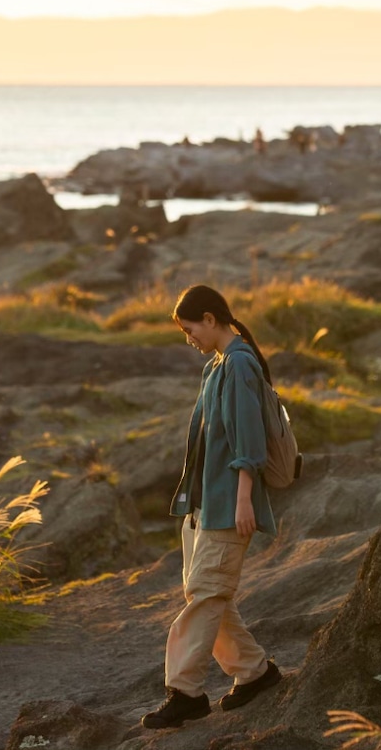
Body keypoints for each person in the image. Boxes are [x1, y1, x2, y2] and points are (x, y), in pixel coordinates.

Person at [141, 285, 281, 729]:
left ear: (209, 318)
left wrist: (244, 501)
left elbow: (249, 441)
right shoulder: (218, 365)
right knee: (208, 595)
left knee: (204, 596)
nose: (189, 339)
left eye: (189, 329)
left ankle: (184, 692)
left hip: (228, 506)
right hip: (205, 505)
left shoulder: (239, 363)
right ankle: (256, 673)